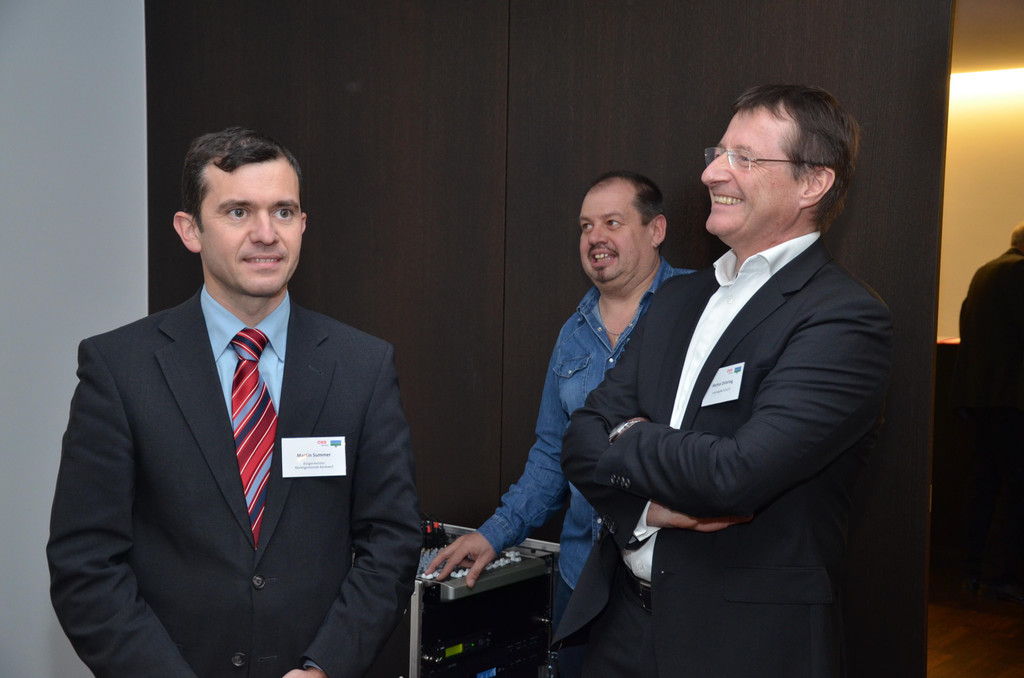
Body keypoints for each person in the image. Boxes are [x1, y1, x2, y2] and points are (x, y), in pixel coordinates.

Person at [47, 127, 421, 678]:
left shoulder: (362, 367)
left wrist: (325, 667)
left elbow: (391, 541)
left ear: (303, 224)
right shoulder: (119, 369)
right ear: (190, 230)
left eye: (283, 212)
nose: (266, 234)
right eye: (238, 212)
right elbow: (85, 565)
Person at [553, 85, 893, 677]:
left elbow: (735, 475)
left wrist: (625, 435)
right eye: (718, 153)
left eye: (745, 158)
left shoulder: (842, 317)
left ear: (813, 184)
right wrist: (648, 509)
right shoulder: (678, 298)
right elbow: (579, 439)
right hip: (621, 630)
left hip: (742, 647)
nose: (712, 172)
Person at [424, 171, 692, 676]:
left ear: (655, 230)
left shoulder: (699, 308)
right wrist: (494, 534)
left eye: (613, 222)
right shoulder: (573, 335)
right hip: (581, 580)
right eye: (586, 226)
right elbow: (552, 455)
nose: (595, 238)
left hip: (673, 584)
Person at [950, 221, 1024, 603]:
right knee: (1014, 490)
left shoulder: (985, 271)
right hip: (1012, 401)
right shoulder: (1018, 271)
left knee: (983, 486)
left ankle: (972, 571)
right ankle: (999, 577)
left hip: (980, 400)